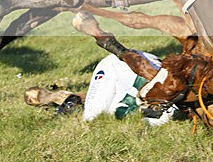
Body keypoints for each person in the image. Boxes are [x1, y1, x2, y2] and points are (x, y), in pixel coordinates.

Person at [24, 52, 177, 126]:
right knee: (102, 113)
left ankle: (57, 99)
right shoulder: (171, 112)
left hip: (119, 65)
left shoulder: (171, 111)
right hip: (133, 63)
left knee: (91, 117)